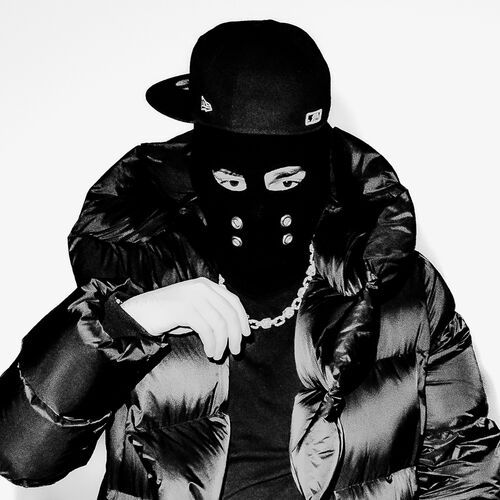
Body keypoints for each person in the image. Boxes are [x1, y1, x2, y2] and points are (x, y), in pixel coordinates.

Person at [0, 19, 499, 500]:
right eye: (231, 181)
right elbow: (20, 456)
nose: (259, 208)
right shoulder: (139, 274)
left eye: (287, 181)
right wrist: (128, 323)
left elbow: (465, 469)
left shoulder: (402, 291)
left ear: (322, 168)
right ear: (196, 170)